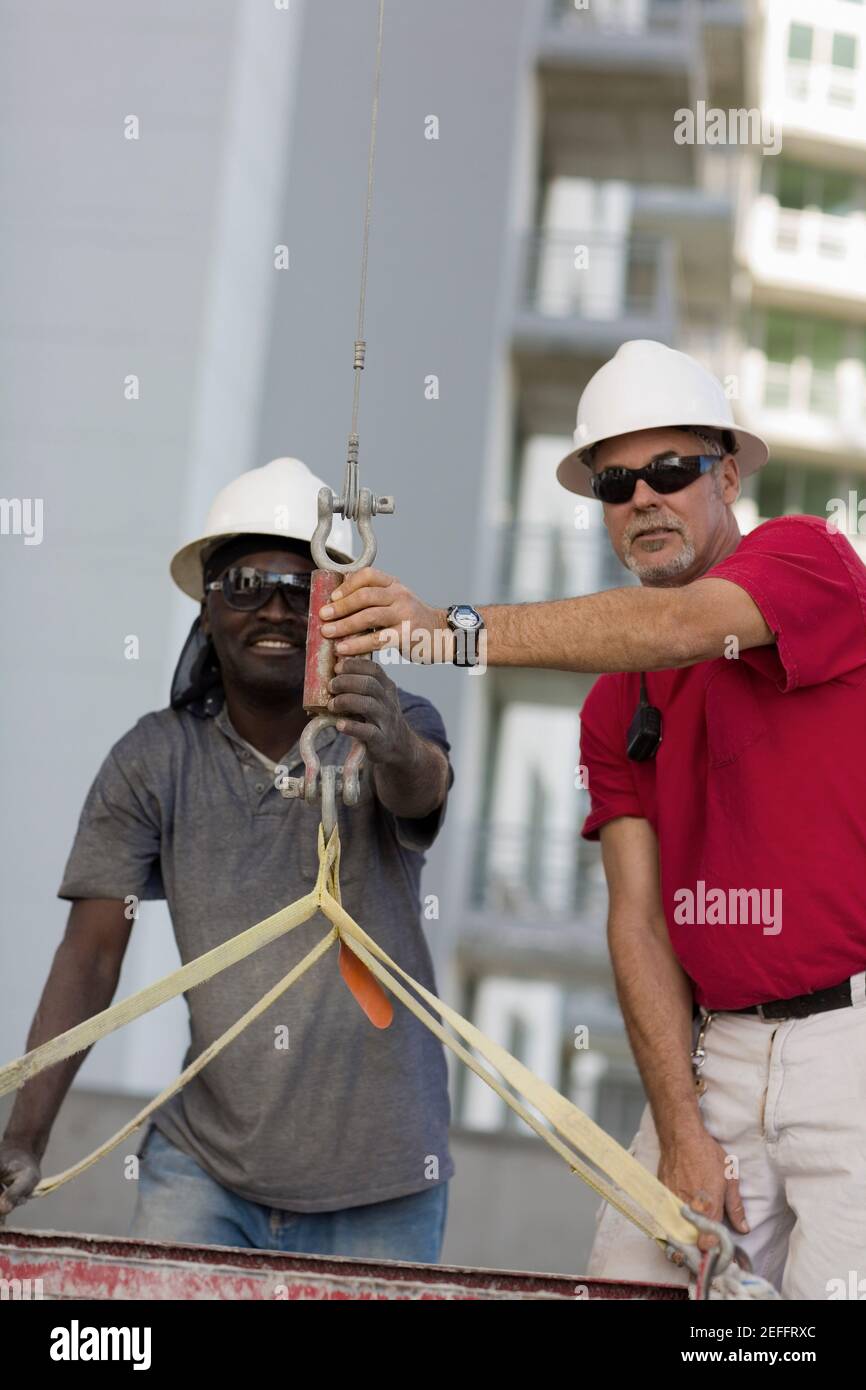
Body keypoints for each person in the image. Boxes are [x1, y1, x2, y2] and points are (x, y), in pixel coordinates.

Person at [314, 340, 866, 1298]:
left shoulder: (807, 557)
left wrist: (447, 632)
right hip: (717, 1055)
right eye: (616, 483)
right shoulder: (617, 703)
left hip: (849, 1045)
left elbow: (683, 626)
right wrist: (682, 1128)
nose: (643, 498)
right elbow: (638, 923)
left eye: (671, 470)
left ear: (727, 476)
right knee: (630, 1283)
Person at [0, 457, 454, 1263]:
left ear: (336, 612)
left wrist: (390, 742)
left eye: (302, 590)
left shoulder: (392, 722)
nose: (275, 608)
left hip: (383, 1181)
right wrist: (24, 1138)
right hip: (204, 1169)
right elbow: (91, 954)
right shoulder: (152, 760)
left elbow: (421, 788)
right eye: (246, 586)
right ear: (207, 611)